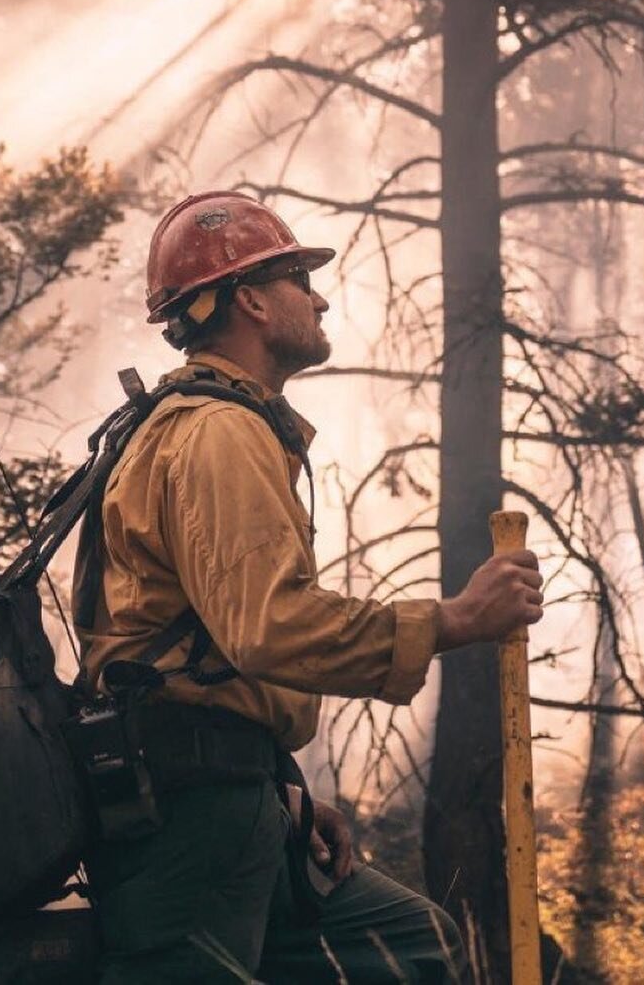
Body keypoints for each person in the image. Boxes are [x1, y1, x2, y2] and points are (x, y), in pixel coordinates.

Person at [72, 191, 544, 984]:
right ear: (249, 300)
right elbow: (268, 626)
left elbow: (209, 645)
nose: (318, 295)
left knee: (411, 950)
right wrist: (453, 619)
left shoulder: (215, 423)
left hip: (231, 798)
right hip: (189, 821)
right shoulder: (217, 432)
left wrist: (273, 784)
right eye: (297, 278)